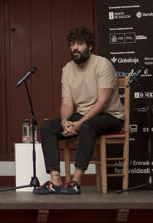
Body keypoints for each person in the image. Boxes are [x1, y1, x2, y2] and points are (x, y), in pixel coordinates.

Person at [35, 25, 124, 195]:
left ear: (89, 46)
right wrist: (64, 122)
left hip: (110, 116)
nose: (75, 48)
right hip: (83, 115)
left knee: (86, 127)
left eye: (80, 44)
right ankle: (55, 180)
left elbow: (102, 103)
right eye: (72, 44)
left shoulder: (102, 64)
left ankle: (75, 181)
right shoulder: (67, 69)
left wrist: (79, 124)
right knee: (48, 127)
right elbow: (67, 102)